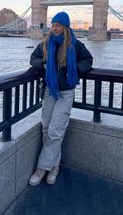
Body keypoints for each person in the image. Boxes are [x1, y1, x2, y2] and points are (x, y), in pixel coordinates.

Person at [29, 11, 93, 186]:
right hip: (50, 90)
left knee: (55, 130)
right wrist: (43, 65)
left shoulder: (74, 44)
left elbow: (88, 60)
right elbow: (33, 58)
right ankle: (55, 166)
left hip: (65, 93)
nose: (54, 28)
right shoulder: (46, 43)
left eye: (58, 25)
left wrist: (72, 70)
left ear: (65, 27)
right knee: (46, 128)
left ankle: (42, 168)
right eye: (53, 25)